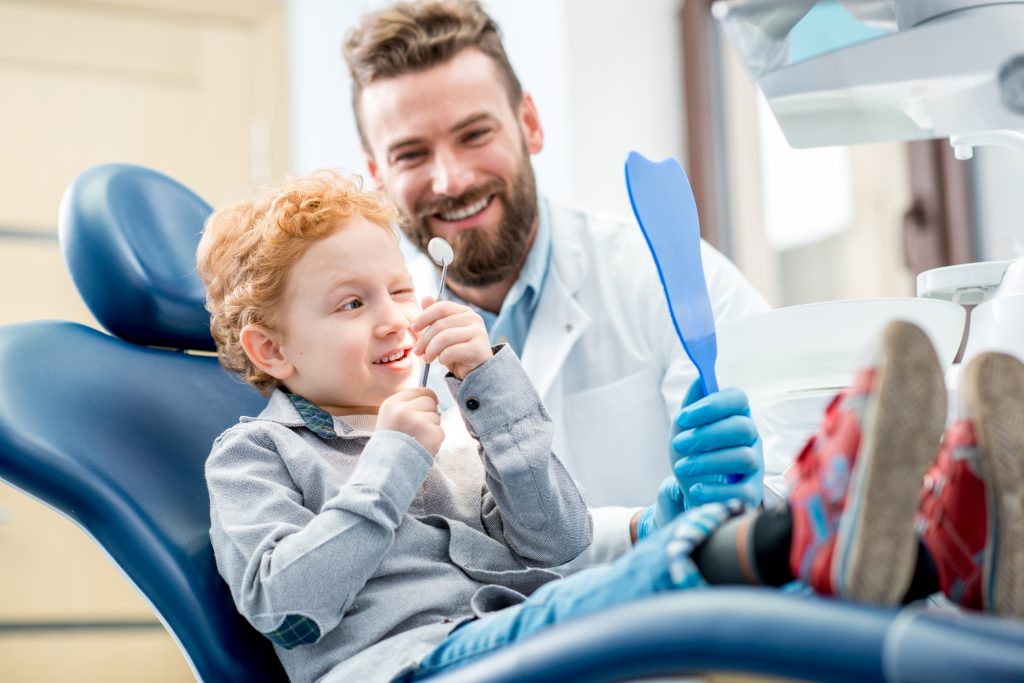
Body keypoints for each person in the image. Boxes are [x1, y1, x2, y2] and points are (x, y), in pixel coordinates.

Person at [194, 170, 757, 682]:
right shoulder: (254, 454)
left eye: (399, 290)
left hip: (509, 642)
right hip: (411, 665)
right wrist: (390, 464)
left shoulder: (449, 437)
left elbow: (558, 539)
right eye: (351, 305)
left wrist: (492, 388)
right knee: (629, 606)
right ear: (271, 349)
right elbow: (286, 610)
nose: (393, 319)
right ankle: (747, 550)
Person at [341, 0, 773, 566]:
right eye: (411, 153)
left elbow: (786, 482)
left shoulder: (659, 277)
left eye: (474, 134)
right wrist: (644, 525)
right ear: (377, 174)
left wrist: (740, 495)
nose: (451, 179)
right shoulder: (373, 353)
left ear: (530, 124)